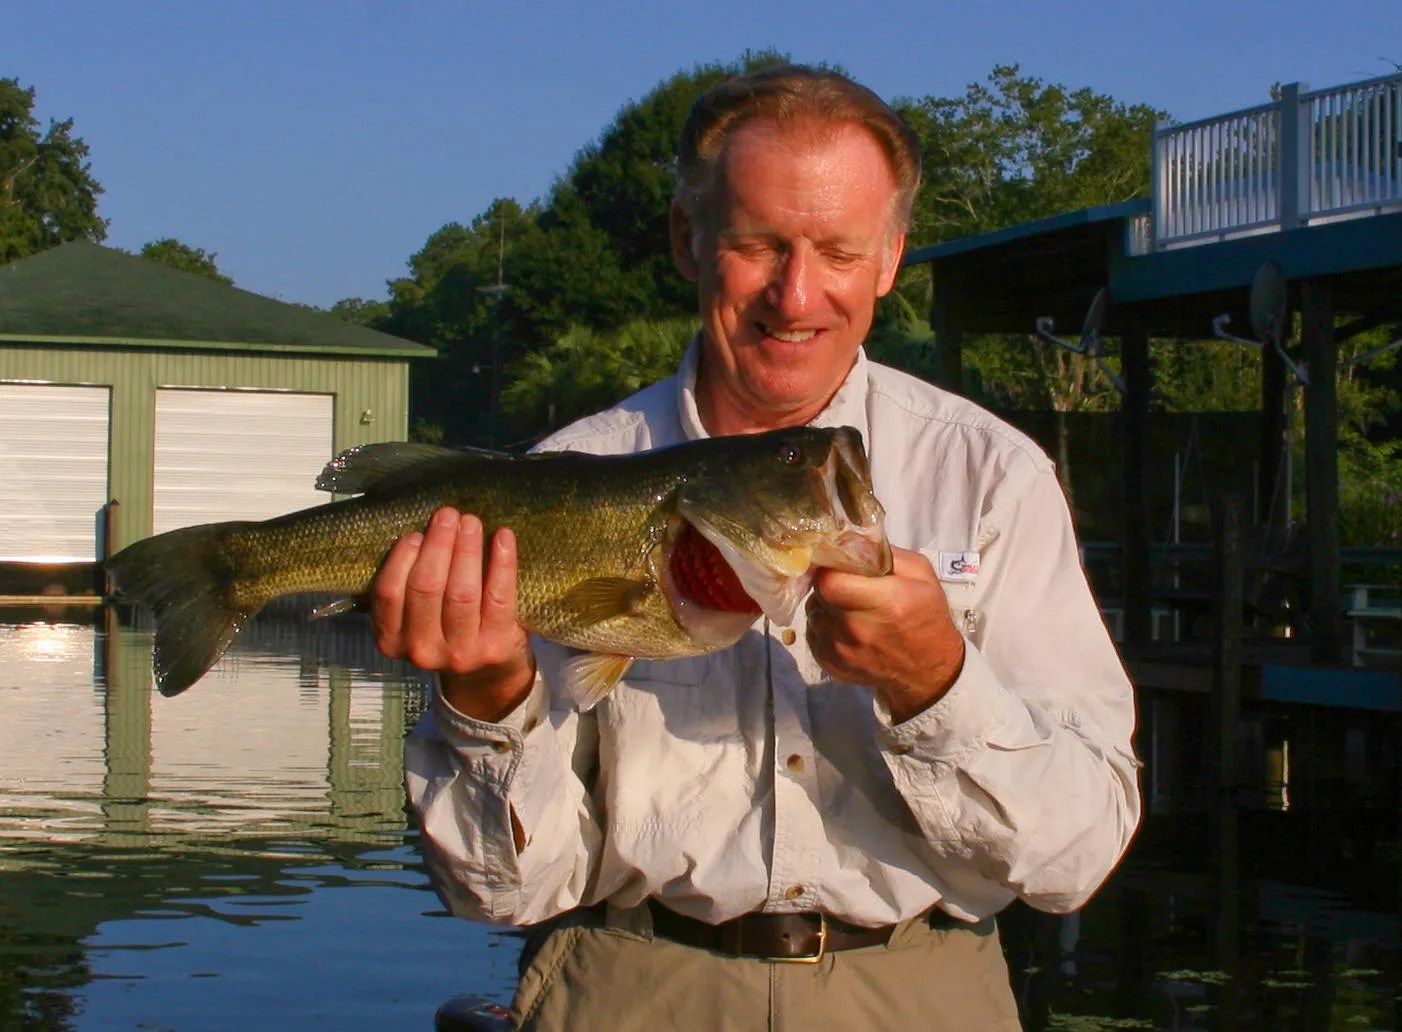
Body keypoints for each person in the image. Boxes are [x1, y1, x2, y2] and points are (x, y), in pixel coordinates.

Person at [373, 65, 1141, 1031]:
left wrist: (937, 684)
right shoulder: (565, 475)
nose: (796, 291)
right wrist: (486, 698)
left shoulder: (991, 479)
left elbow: (1079, 861)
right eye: (757, 244)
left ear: (892, 258)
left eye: (839, 250)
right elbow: (500, 894)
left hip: (923, 992)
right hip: (629, 985)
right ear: (687, 242)